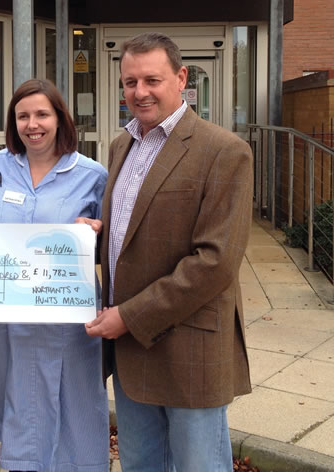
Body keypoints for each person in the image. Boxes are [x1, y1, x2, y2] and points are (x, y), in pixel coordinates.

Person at [86, 32, 253, 472]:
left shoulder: (224, 151)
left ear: (181, 78)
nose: (139, 93)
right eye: (129, 83)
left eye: (151, 80)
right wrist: (94, 237)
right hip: (132, 349)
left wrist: (129, 316)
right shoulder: (121, 145)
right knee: (141, 464)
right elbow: (135, 234)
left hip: (189, 347)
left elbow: (215, 263)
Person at [0, 78, 109, 472]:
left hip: (67, 323)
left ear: (60, 119)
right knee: (21, 413)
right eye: (23, 116)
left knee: (77, 409)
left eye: (42, 114)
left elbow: (117, 244)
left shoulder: (92, 175)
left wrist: (97, 236)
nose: (33, 124)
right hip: (9, 322)